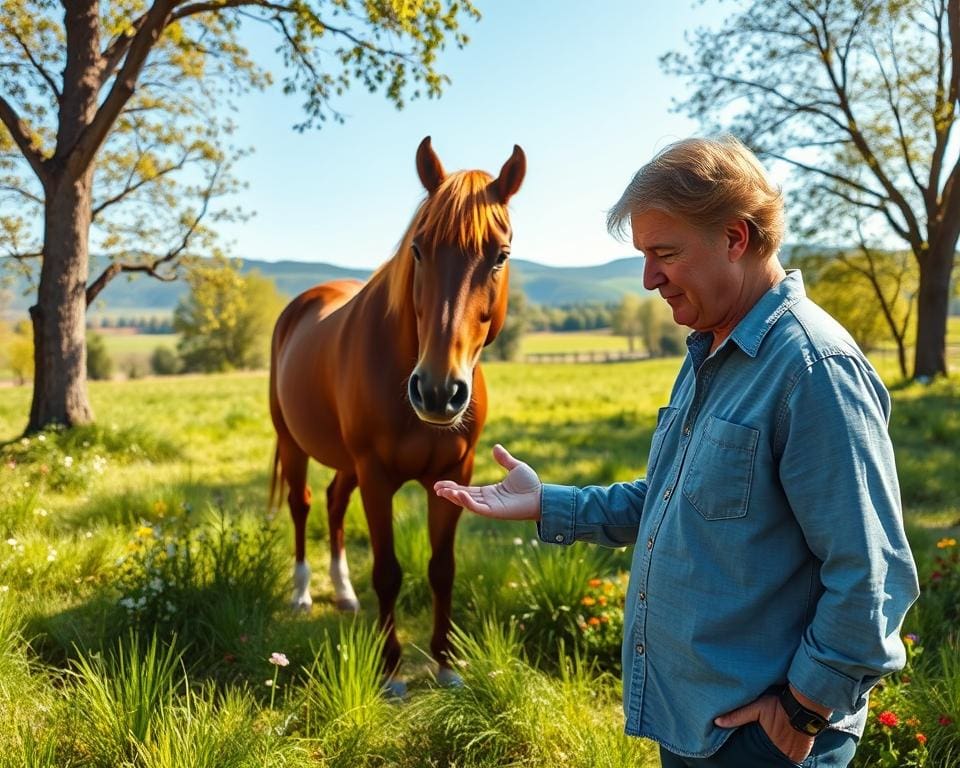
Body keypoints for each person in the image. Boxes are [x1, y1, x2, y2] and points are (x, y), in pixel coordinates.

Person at [434, 136, 919, 767]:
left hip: (767, 738)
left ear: (736, 239)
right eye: (643, 256)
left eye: (664, 253)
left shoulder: (813, 370)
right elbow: (672, 498)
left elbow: (871, 578)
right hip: (695, 721)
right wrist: (546, 502)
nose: (648, 278)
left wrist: (803, 708)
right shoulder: (711, 348)